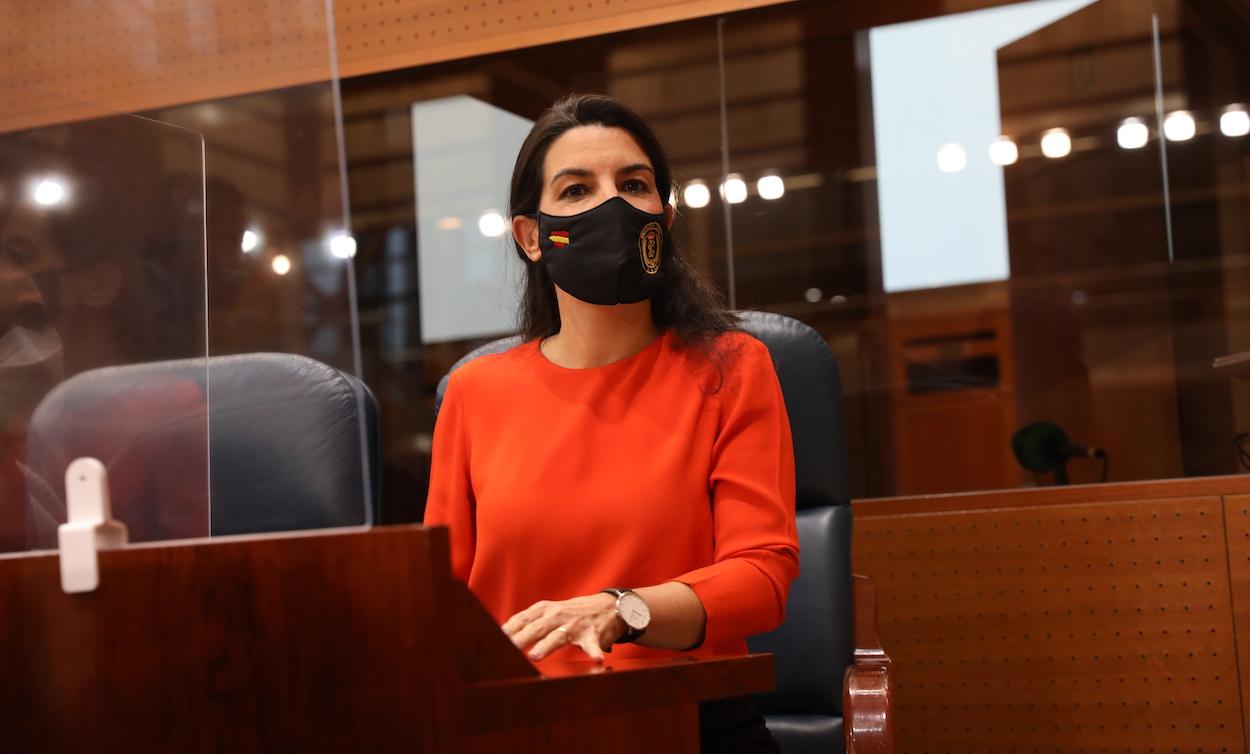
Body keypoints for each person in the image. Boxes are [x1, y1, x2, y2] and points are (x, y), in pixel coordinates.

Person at [424, 94, 798, 753]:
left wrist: (624, 610)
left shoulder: (732, 367)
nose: (613, 206)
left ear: (666, 217)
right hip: (516, 725)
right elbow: (437, 602)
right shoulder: (474, 392)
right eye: (575, 190)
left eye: (634, 185)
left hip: (688, 718)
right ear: (531, 237)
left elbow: (761, 577)